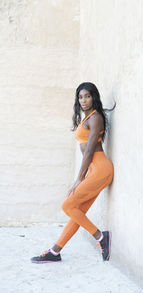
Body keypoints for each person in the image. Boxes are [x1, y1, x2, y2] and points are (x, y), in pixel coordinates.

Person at [30, 82, 116, 263]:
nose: (84, 100)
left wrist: (79, 179)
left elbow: (90, 151)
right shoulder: (87, 118)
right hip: (94, 170)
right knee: (78, 212)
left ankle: (100, 237)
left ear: (94, 97)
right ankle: (55, 252)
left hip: (100, 169)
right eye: (80, 97)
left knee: (68, 206)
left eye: (88, 96)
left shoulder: (95, 118)